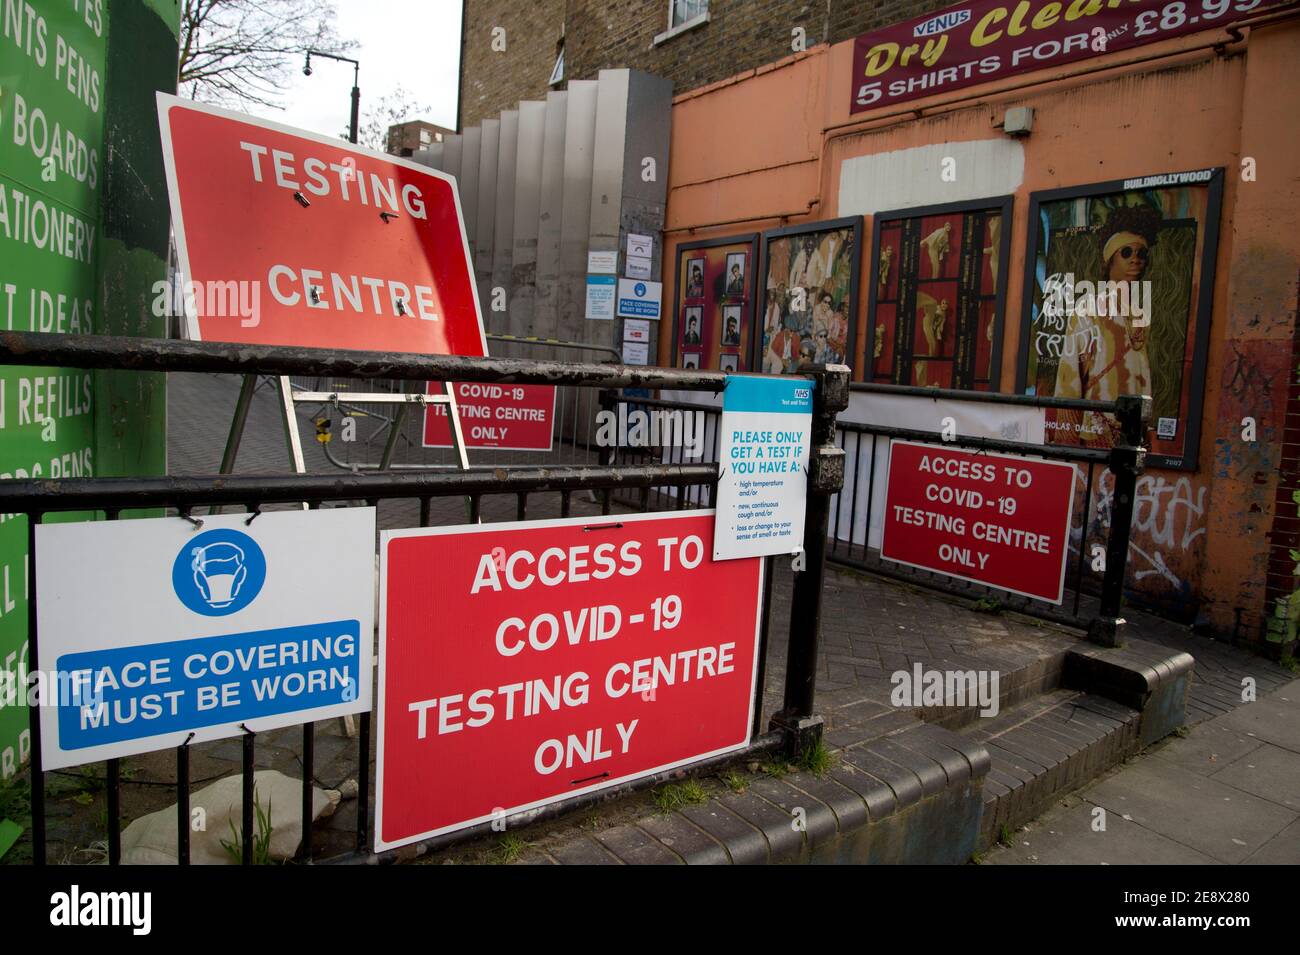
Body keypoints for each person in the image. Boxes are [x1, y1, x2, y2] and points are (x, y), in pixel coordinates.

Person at [1052, 205, 1159, 446]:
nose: (1135, 259)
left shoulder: (1140, 314)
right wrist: (1066, 441)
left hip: (1132, 431)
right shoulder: (1089, 309)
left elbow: (1143, 376)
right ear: (1110, 259)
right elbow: (1069, 375)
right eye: (1127, 252)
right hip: (1098, 430)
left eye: (1141, 253)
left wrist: (1145, 426)